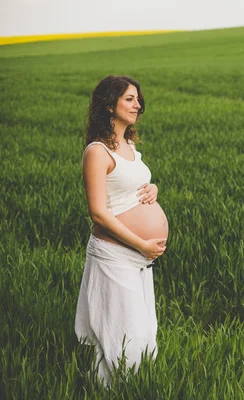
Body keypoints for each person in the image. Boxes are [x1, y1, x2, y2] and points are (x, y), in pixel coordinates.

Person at [74, 75, 169, 386]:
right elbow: (98, 212)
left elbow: (131, 186)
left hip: (138, 259)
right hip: (115, 255)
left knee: (142, 333)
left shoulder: (128, 145)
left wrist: (152, 188)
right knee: (123, 337)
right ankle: (108, 390)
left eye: (137, 99)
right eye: (129, 98)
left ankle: (134, 389)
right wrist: (141, 244)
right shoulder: (97, 152)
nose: (137, 104)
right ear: (108, 103)